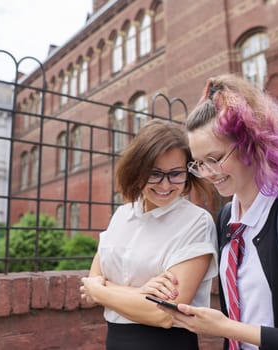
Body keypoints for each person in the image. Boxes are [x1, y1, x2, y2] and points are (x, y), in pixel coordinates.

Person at [147, 74, 278, 349]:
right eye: (199, 164)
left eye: (215, 158)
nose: (209, 174)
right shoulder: (226, 218)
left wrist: (228, 328)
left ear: (251, 143)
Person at [80, 119, 219, 350]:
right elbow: (90, 283)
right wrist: (139, 293)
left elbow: (164, 314)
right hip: (115, 341)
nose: (165, 185)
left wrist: (101, 291)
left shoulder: (196, 222)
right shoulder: (122, 215)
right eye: (154, 174)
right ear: (137, 170)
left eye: (176, 174)